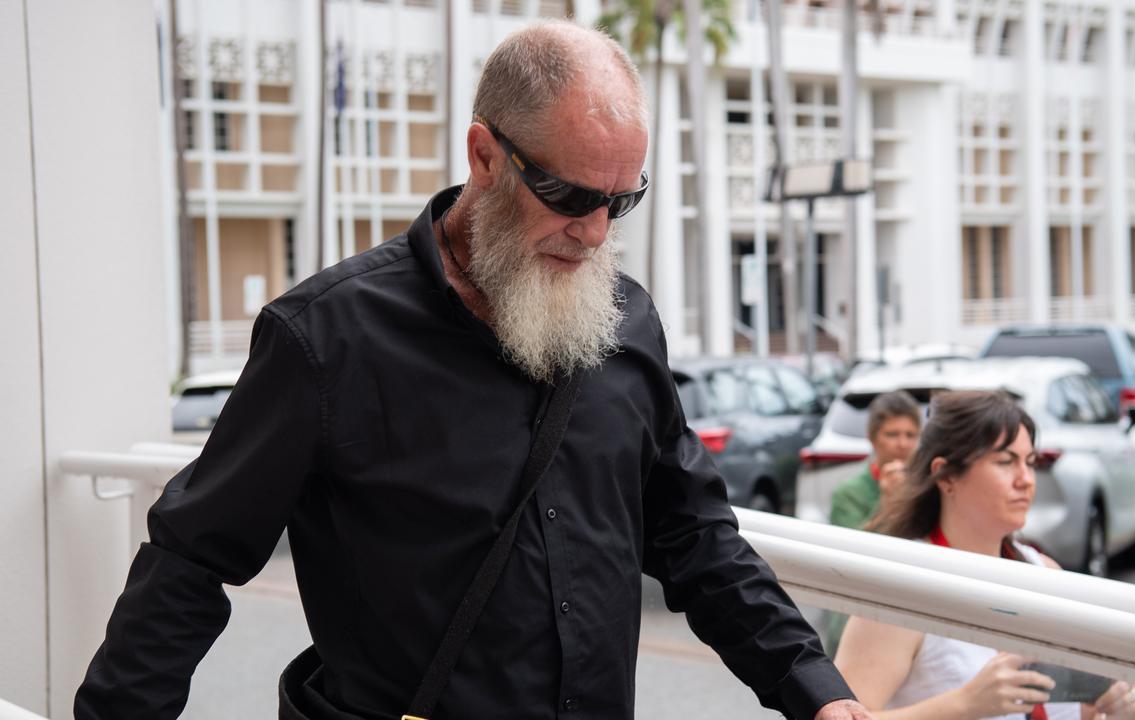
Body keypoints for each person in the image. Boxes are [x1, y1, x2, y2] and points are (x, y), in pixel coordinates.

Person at [73, 21, 871, 720]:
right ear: (485, 155)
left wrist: (813, 685)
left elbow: (693, 533)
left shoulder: (628, 319)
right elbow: (190, 559)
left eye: (619, 202)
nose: (593, 232)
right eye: (566, 193)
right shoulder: (325, 337)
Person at [833, 391, 1135, 720]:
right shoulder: (902, 586)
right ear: (947, 475)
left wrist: (1116, 704)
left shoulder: (1044, 572)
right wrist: (963, 705)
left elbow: (1072, 709)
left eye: (1029, 462)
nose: (1026, 480)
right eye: (1005, 462)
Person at [829, 390, 921, 530]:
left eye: (910, 435)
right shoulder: (849, 494)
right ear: (872, 437)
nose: (903, 444)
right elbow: (850, 547)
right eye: (892, 434)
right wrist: (887, 504)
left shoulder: (924, 487)